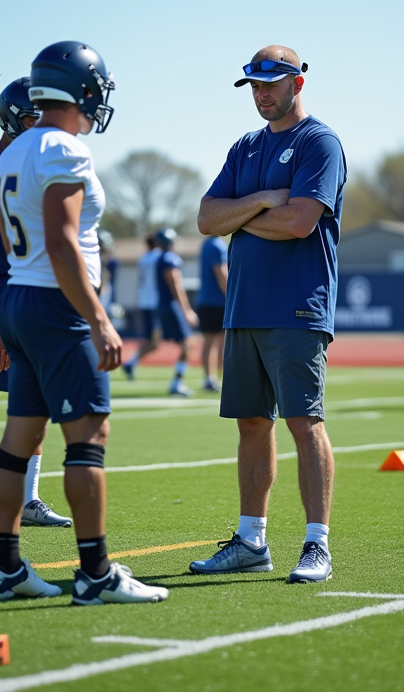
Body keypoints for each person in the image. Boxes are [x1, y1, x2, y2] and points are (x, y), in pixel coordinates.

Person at [0, 40, 167, 605]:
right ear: (83, 88)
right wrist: (99, 319)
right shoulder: (65, 148)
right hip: (55, 304)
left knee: (19, 438)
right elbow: (64, 244)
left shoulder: (13, 150)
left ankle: (6, 567)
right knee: (88, 437)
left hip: (17, 297)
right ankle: (94, 573)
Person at [191, 45, 344, 584]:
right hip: (244, 310)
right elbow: (208, 218)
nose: (262, 93)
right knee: (252, 425)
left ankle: (316, 544)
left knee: (304, 423)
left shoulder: (319, 143)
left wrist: (243, 215)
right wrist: (260, 202)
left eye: (271, 83)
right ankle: (251, 540)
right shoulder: (246, 147)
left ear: (297, 84)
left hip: (298, 308)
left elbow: (300, 222)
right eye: (254, 85)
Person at [0, 76, 71, 532]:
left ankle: (30, 498)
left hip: (38, 299)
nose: (39, 126)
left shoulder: (43, 165)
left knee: (36, 402)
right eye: (31, 117)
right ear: (9, 117)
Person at [154, 227, 198, 396]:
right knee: (188, 343)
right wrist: (186, 310)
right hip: (171, 306)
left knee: (187, 343)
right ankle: (177, 383)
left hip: (163, 305)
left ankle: (177, 382)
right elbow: (176, 285)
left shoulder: (160, 258)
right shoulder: (171, 259)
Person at [121, 234, 161, 379]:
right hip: (156, 302)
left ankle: (131, 362)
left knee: (152, 341)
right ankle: (130, 362)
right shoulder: (159, 256)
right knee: (155, 342)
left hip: (144, 302)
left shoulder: (144, 258)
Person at [196, 234, 228, 392]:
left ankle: (210, 378)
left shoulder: (206, 244)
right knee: (221, 341)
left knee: (209, 340)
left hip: (205, 300)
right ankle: (222, 379)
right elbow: (221, 273)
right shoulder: (218, 245)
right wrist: (231, 296)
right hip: (218, 301)